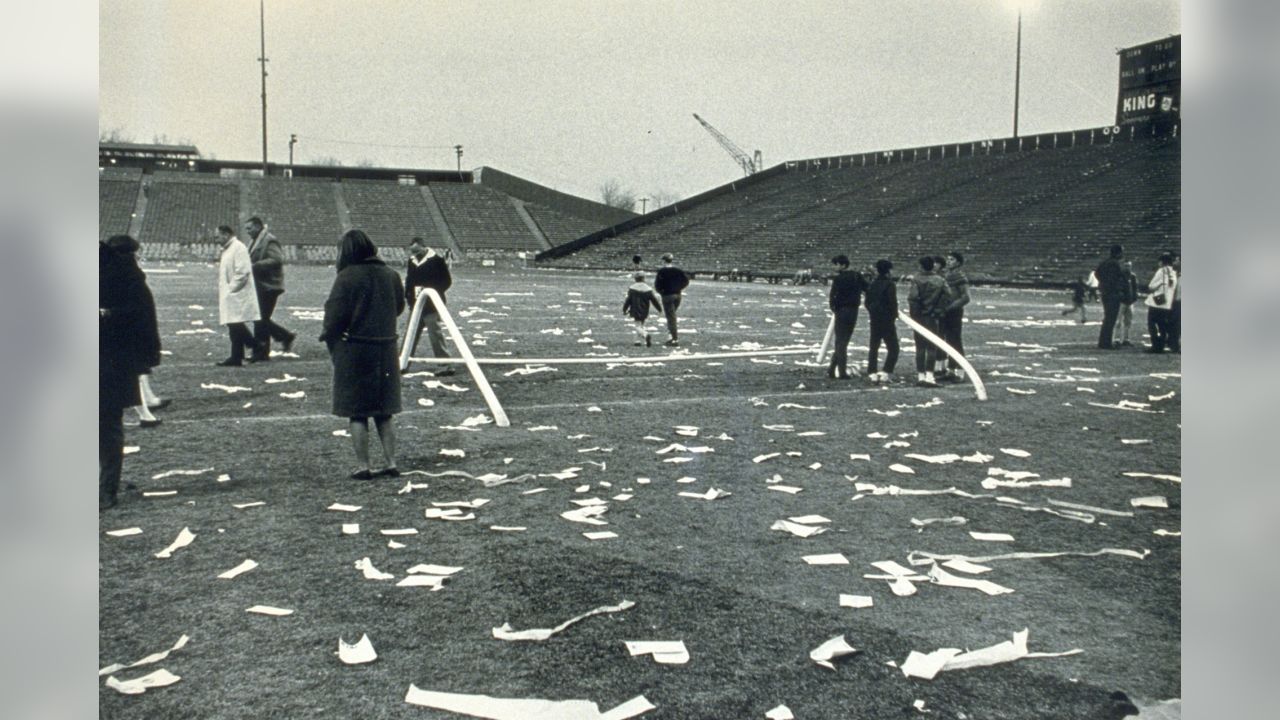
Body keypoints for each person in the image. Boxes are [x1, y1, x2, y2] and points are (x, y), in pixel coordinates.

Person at [321, 229, 406, 479]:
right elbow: (398, 307)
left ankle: (363, 466)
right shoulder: (391, 275)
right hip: (386, 349)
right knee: (384, 412)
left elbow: (334, 316)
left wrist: (334, 339)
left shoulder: (346, 277)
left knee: (357, 412)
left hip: (355, 350)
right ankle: (391, 463)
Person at [99, 236, 160, 511]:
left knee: (107, 426)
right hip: (114, 364)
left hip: (110, 363)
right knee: (108, 426)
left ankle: (107, 489)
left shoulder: (121, 279)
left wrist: (106, 315)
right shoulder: (130, 278)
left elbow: (137, 319)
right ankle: (105, 487)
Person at [105, 235, 170, 427]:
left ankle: (146, 409)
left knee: (134, 370)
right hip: (130, 328)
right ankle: (145, 412)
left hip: (126, 328)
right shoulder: (125, 272)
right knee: (132, 370)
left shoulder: (117, 271)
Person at [244, 216, 296, 362]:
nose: (247, 232)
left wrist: (255, 265)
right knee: (260, 318)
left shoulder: (269, 240)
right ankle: (270, 346)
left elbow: (276, 259)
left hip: (270, 285)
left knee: (260, 318)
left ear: (258, 226)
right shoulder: (256, 240)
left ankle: (265, 349)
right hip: (261, 285)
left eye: (250, 228)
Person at [404, 237, 456, 376]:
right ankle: (403, 363)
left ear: (423, 246)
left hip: (432, 305)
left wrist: (432, 292)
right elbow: (409, 280)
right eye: (413, 252)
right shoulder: (412, 261)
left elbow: (446, 281)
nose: (415, 254)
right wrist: (408, 296)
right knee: (410, 334)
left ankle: (445, 365)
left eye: (417, 251)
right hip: (415, 305)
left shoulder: (437, 261)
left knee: (435, 334)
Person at [216, 225, 261, 366]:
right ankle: (236, 356)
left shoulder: (238, 248)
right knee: (233, 323)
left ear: (226, 235)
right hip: (232, 292)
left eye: (218, 236)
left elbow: (243, 272)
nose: (216, 240)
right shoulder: (229, 249)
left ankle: (255, 346)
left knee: (234, 323)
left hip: (237, 293)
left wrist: (231, 289)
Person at [907, 256, 949, 387]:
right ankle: (930, 375)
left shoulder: (916, 279)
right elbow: (947, 295)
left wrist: (914, 315)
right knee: (932, 346)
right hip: (932, 316)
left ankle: (921, 375)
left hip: (919, 316)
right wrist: (938, 310)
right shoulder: (940, 280)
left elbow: (913, 298)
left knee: (920, 346)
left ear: (921, 266)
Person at [826, 255, 868, 380]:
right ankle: (832, 368)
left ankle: (840, 370)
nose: (835, 267)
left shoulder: (838, 279)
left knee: (840, 342)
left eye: (837, 264)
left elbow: (832, 297)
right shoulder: (856, 276)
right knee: (844, 340)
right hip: (853, 310)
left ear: (843, 265)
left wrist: (834, 308)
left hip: (842, 311)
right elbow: (867, 288)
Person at [937, 252, 971, 382]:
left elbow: (966, 297)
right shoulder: (946, 275)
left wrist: (951, 307)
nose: (949, 261)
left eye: (952, 259)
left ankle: (960, 371)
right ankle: (950, 370)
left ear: (958, 262)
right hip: (944, 312)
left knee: (955, 340)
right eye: (948, 259)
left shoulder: (960, 276)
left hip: (954, 312)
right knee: (946, 340)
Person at [865, 259, 900, 384]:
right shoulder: (890, 284)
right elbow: (892, 302)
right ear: (888, 270)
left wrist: (872, 312)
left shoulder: (873, 283)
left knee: (874, 346)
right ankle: (886, 372)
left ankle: (872, 372)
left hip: (875, 319)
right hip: (887, 319)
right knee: (894, 348)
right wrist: (894, 315)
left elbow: (867, 302)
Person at [1144, 252, 1178, 353]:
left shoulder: (1161, 271)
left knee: (1152, 324)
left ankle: (1156, 345)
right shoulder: (1173, 273)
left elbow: (1151, 286)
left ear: (1162, 262)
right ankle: (1162, 344)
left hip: (1156, 302)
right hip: (1167, 304)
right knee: (1162, 326)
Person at [654, 252, 690, 346]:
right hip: (677, 295)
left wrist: (662, 292)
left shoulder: (662, 271)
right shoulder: (678, 270)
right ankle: (670, 335)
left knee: (671, 317)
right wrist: (679, 288)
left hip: (667, 295)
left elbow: (657, 285)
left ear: (664, 261)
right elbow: (686, 281)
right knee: (672, 315)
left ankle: (674, 338)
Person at [1095, 244, 1126, 349]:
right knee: (1110, 318)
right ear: (1118, 253)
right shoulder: (1115, 264)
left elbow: (1097, 273)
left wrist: (1103, 283)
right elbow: (1116, 279)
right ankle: (1105, 343)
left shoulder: (1104, 263)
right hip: (1113, 293)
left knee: (1108, 317)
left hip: (1105, 292)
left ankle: (1104, 341)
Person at [622, 273, 663, 346]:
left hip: (635, 308)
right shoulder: (648, 289)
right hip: (645, 309)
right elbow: (654, 300)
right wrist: (659, 309)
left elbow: (628, 300)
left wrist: (624, 309)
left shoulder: (632, 289)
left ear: (635, 279)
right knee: (641, 324)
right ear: (644, 279)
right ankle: (637, 341)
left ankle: (645, 335)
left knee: (637, 326)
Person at [1113, 260, 1139, 347]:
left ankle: (1126, 338)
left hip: (1130, 301)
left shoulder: (1133, 276)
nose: (1127, 267)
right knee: (1118, 321)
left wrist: (1134, 298)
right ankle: (1116, 339)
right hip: (1122, 302)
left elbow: (1135, 288)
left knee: (1128, 321)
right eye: (1126, 266)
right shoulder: (1120, 276)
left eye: (1129, 266)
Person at [1167, 252, 1181, 353]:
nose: (1174, 262)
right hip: (1175, 302)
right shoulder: (1175, 274)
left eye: (1176, 260)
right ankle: (1174, 344)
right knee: (1173, 323)